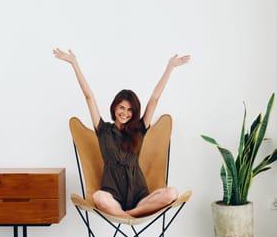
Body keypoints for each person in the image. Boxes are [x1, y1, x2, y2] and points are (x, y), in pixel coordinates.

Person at [53, 48, 190, 218]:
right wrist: (74, 63)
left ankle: (129, 214)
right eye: (121, 108)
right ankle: (126, 214)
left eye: (130, 110)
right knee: (98, 197)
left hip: (139, 195)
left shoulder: (139, 130)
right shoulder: (103, 130)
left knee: (172, 193)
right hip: (113, 195)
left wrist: (170, 67)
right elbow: (89, 96)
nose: (125, 113)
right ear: (115, 107)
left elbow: (154, 99)